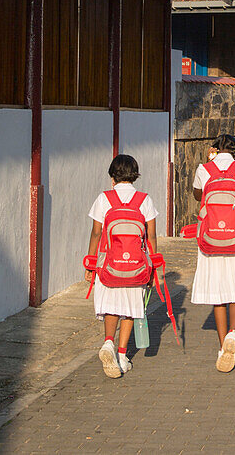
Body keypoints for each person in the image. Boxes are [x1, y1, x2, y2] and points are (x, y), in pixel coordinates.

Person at [85, 154, 158, 378]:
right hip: (135, 266)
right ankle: (123, 354)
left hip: (109, 264)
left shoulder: (104, 199)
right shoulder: (144, 200)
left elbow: (97, 232)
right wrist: (153, 267)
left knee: (111, 306)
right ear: (135, 174)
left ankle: (108, 342)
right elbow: (151, 236)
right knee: (129, 309)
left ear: (112, 175)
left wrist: (90, 263)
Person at [191, 133, 235, 372]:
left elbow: (199, 196)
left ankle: (222, 346)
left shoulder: (204, 168)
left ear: (216, 149)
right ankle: (233, 334)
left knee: (218, 294)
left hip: (210, 239)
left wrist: (208, 163)